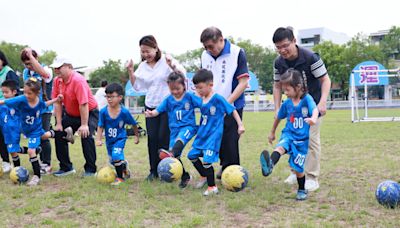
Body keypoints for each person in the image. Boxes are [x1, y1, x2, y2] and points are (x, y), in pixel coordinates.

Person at [272, 27, 331, 191]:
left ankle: (311, 177)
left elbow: (325, 80)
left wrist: (323, 102)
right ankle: (295, 171)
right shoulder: (278, 62)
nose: (282, 50)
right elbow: (277, 86)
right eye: (278, 47)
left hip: (312, 106)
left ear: (294, 41)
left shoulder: (310, 57)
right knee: (292, 139)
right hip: (293, 108)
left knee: (311, 140)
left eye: (285, 45)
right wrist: (277, 107)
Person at [126, 35, 186, 181]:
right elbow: (137, 86)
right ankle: (153, 171)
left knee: (164, 138)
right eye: (142, 52)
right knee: (152, 138)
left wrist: (172, 66)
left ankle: (170, 170)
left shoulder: (166, 60)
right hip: (150, 105)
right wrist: (130, 71)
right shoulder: (143, 67)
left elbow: (182, 75)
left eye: (148, 51)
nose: (146, 55)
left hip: (167, 105)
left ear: (156, 48)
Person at [261, 69, 318, 200]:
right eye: (283, 90)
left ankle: (302, 189)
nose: (285, 93)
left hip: (301, 140)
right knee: (280, 148)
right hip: (288, 134)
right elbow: (278, 117)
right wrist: (272, 132)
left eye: (287, 90)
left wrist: (313, 119)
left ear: (298, 87)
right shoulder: (287, 103)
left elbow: (314, 109)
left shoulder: (307, 100)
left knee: (298, 169)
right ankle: (270, 164)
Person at [199, 27, 249, 178]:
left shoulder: (237, 52)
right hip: (211, 107)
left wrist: (226, 103)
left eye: (211, 47)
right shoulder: (205, 55)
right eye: (206, 47)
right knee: (214, 139)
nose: (209, 50)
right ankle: (224, 166)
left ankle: (234, 175)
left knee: (230, 140)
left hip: (231, 104)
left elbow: (243, 82)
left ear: (221, 39)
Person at [188, 69, 245, 196]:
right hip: (202, 135)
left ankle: (212, 187)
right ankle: (204, 175)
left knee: (207, 161)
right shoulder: (201, 99)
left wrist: (240, 125)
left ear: (210, 85)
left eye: (201, 87)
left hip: (213, 136)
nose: (199, 90)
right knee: (192, 155)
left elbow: (232, 109)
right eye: (196, 88)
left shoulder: (218, 99)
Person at [0, 78, 66, 186]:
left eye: (29, 93)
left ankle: (37, 177)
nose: (26, 95)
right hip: (25, 129)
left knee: (31, 151)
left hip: (35, 129)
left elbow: (45, 104)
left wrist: (55, 100)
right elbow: (4, 101)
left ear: (37, 93)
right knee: (45, 136)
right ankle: (65, 134)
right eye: (25, 92)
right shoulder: (21, 99)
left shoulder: (39, 102)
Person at [145, 72, 202, 188]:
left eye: (178, 89)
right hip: (174, 131)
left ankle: (172, 152)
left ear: (184, 86)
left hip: (188, 127)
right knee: (174, 156)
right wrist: (152, 113)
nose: (175, 91)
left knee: (177, 145)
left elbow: (203, 105)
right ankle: (185, 177)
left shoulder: (189, 97)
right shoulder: (168, 100)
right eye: (172, 89)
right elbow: (158, 110)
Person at [50, 57, 99, 177]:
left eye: (59, 67)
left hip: (89, 112)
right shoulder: (57, 81)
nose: (56, 70)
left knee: (85, 135)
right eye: (55, 68)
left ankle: (91, 170)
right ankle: (66, 167)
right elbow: (57, 102)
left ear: (69, 67)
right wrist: (59, 123)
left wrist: (84, 125)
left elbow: (84, 104)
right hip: (71, 114)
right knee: (59, 132)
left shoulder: (78, 81)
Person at [96, 83, 139, 186]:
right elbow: (100, 126)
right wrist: (98, 139)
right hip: (109, 140)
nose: (109, 99)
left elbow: (134, 124)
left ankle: (120, 178)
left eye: (112, 97)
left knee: (116, 156)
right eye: (107, 97)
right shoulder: (103, 112)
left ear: (120, 97)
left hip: (120, 138)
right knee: (113, 161)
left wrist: (137, 136)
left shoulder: (124, 112)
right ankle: (124, 166)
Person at [21, 48, 54, 175]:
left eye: (30, 62)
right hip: (32, 111)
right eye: (26, 64)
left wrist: (31, 56)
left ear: (36, 59)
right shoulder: (26, 72)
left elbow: (44, 75)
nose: (29, 66)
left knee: (43, 135)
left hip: (44, 109)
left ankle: (47, 163)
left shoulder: (46, 69)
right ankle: (40, 161)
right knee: (35, 136)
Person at [0, 50, 20, 173]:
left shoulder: (9, 72)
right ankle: (6, 161)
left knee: (8, 137)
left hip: (7, 110)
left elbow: (16, 93)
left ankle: (16, 164)